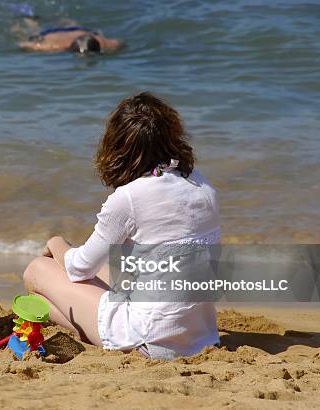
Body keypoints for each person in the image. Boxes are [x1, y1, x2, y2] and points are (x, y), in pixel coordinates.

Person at [23, 92, 221, 359]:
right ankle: (85, 324)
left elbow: (79, 268)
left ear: (117, 146)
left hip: (149, 338)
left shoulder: (129, 197)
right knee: (113, 269)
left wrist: (56, 243)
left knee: (37, 271)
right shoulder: (201, 184)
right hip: (201, 335)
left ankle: (94, 331)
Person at [18, 20, 122, 54]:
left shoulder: (106, 43)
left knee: (71, 23)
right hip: (52, 33)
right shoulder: (55, 46)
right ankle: (31, 20)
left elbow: (119, 43)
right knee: (34, 29)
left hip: (79, 30)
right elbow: (25, 45)